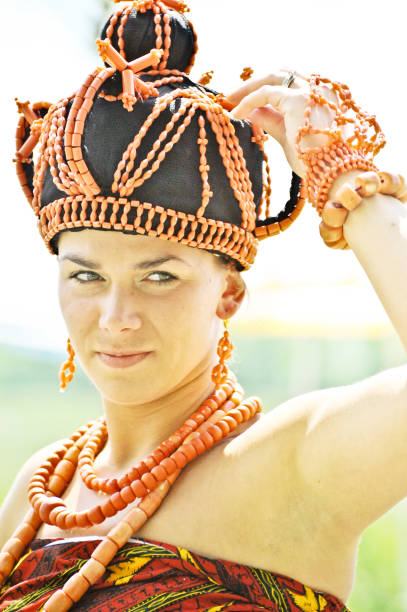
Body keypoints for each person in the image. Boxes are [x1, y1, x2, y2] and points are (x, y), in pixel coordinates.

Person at [1, 0, 406, 610]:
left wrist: (341, 171)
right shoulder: (43, 488)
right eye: (85, 276)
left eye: (159, 277)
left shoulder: (294, 465)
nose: (115, 316)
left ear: (230, 292)